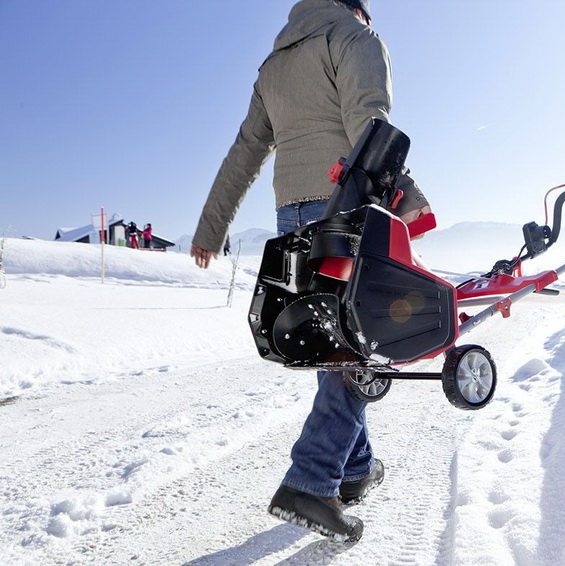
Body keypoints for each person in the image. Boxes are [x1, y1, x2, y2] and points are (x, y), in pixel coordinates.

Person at [189, 0, 430, 543]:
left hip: (292, 216)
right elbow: (369, 124)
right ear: (356, 8)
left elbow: (245, 152)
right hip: (345, 206)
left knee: (334, 345)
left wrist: (210, 228)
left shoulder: (273, 64)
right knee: (359, 342)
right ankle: (312, 481)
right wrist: (408, 193)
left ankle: (355, 468)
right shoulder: (354, 37)